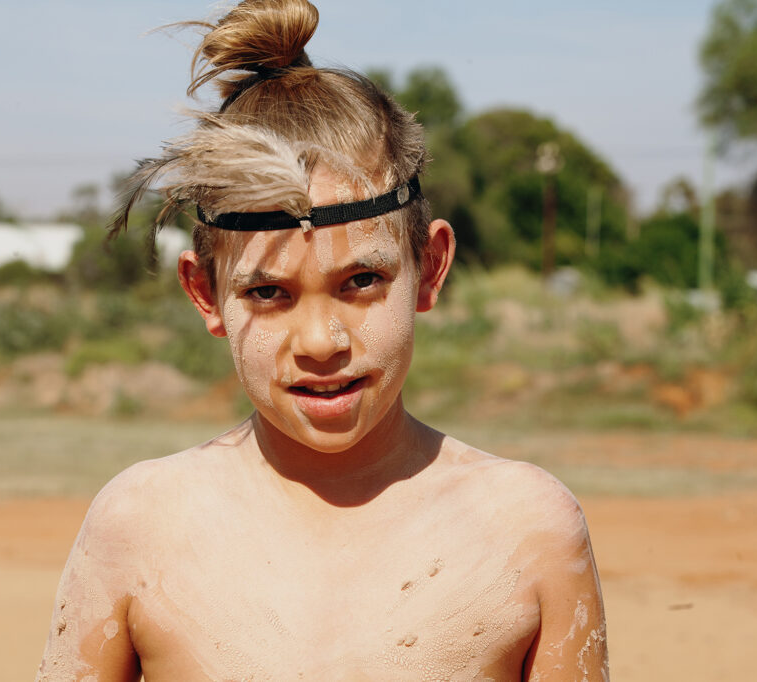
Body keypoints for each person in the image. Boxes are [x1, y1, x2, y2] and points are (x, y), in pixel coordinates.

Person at [37, 1, 608, 679]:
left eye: (361, 279)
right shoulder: (139, 526)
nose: (320, 340)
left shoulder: (528, 530)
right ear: (204, 293)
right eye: (268, 292)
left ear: (428, 269)